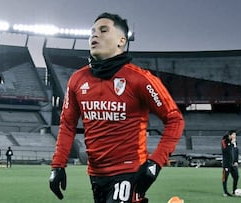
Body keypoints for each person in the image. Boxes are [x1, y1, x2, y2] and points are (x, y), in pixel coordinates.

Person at [48, 12, 185, 203]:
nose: (95, 35)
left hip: (130, 171)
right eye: (92, 32)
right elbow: (67, 125)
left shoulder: (141, 79)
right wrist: (58, 166)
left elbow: (174, 119)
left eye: (104, 30)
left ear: (121, 41)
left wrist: (155, 163)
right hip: (96, 174)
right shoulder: (77, 80)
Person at [221, 130, 239, 197]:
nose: (235, 136)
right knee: (225, 178)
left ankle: (234, 190)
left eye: (235, 135)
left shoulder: (235, 142)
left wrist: (236, 161)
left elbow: (236, 151)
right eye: (233, 135)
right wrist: (231, 144)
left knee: (236, 177)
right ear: (230, 135)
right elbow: (225, 150)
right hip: (226, 164)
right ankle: (225, 192)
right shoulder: (224, 141)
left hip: (233, 164)